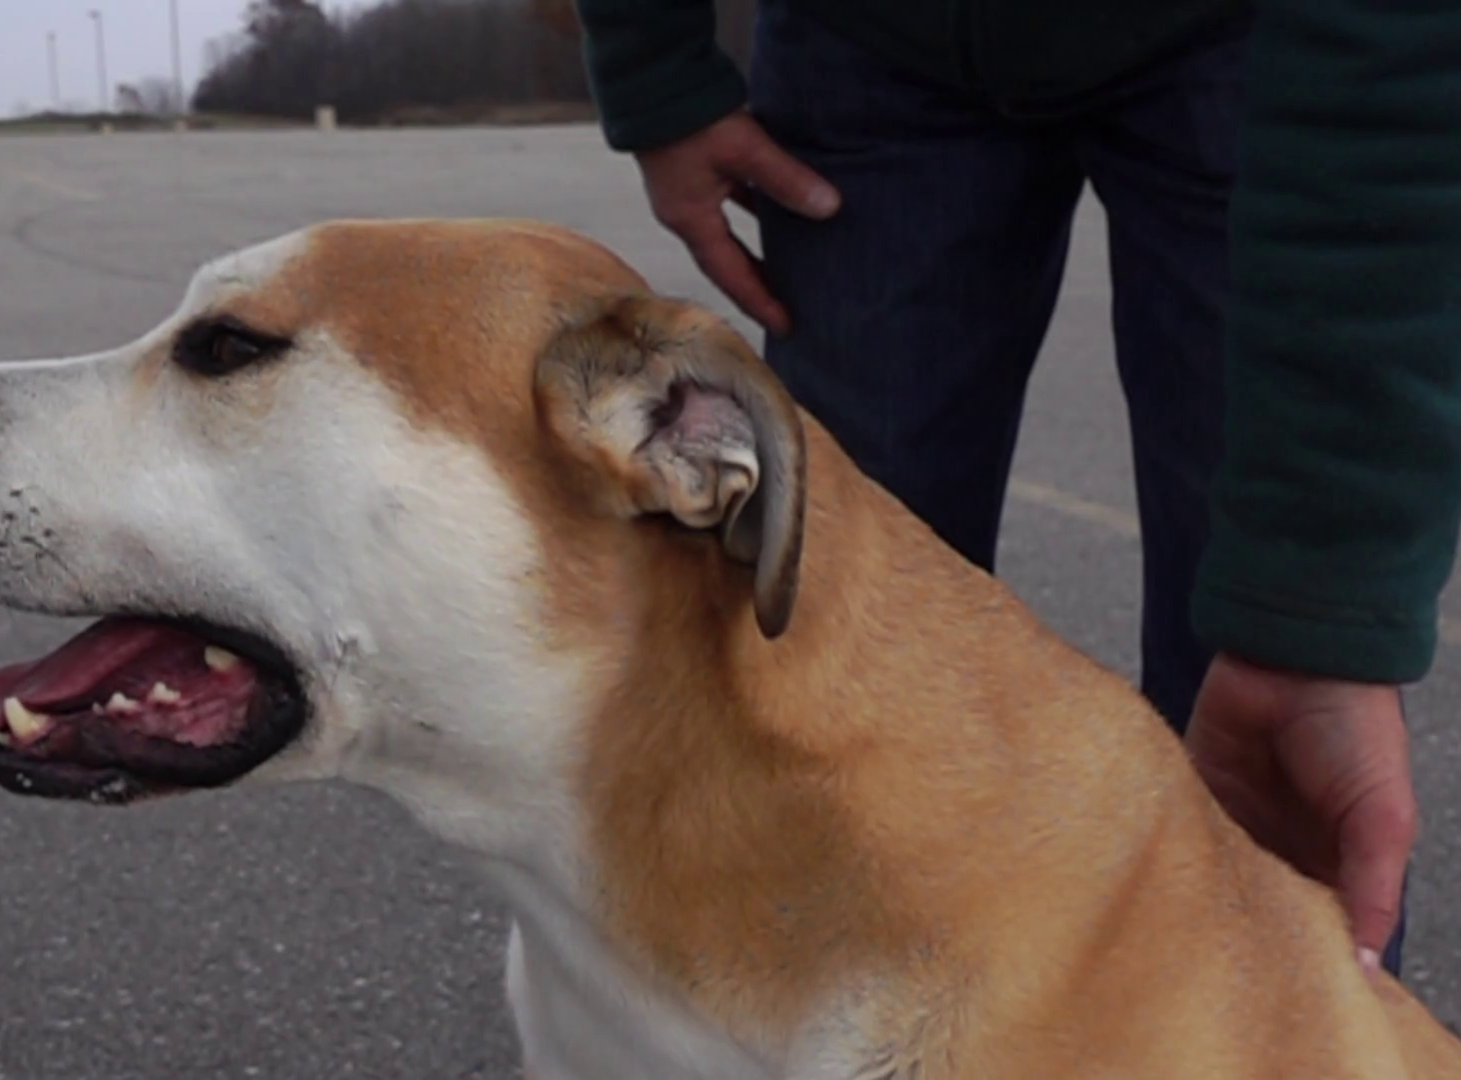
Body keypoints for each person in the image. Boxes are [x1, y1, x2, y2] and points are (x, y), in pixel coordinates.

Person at [573, 0, 1461, 978]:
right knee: (821, 669)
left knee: (1269, 701)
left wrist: (1321, 605)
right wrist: (654, 68)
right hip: (869, 40)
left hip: (1254, 37)